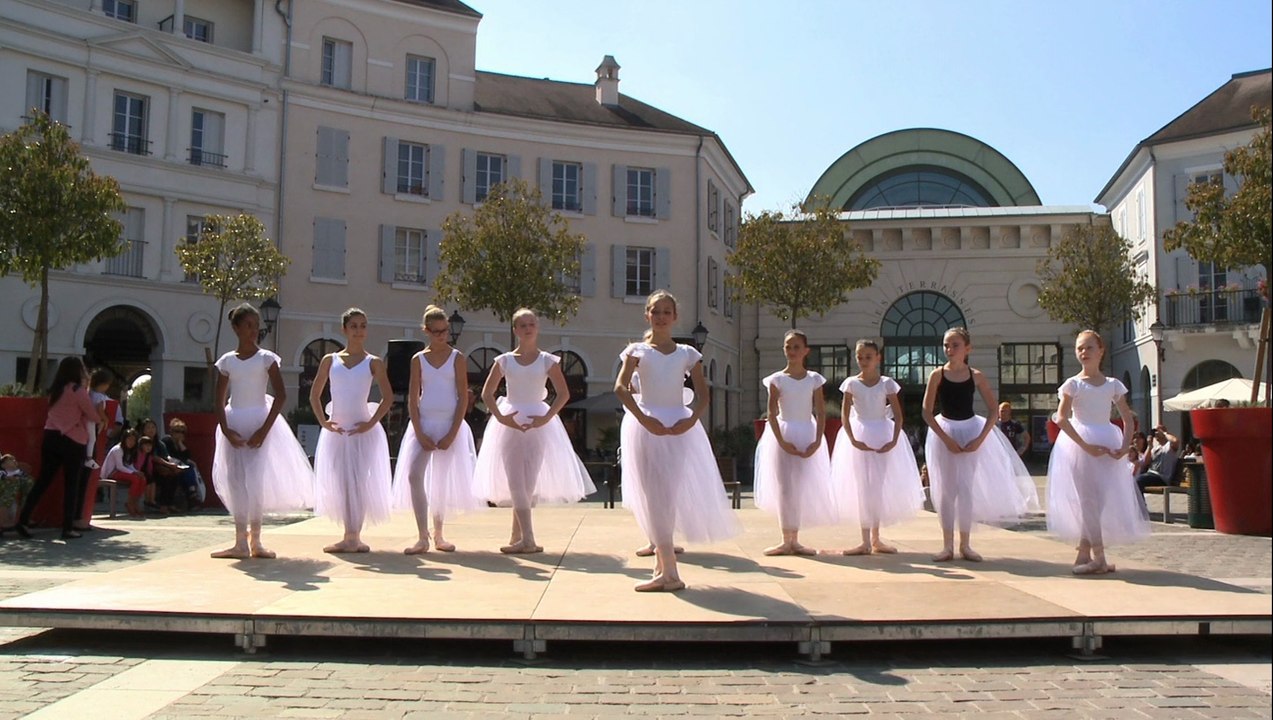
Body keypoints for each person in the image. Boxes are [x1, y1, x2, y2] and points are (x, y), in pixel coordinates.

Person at [614, 290, 741, 592]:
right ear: (647, 315)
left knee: (666, 498)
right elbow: (620, 387)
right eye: (655, 311)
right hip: (645, 426)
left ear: (675, 317)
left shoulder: (688, 354)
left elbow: (703, 394)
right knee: (652, 497)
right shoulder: (636, 351)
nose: (661, 317)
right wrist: (644, 419)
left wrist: (690, 419)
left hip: (678, 425)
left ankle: (670, 572)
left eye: (666, 311)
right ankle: (663, 565)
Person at [474, 308, 596, 554]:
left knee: (527, 484)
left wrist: (547, 417)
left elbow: (563, 393)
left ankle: (518, 535)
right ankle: (526, 538)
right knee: (515, 481)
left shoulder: (547, 361)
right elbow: (487, 393)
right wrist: (500, 417)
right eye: (523, 325)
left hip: (538, 423)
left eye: (531, 324)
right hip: (510, 422)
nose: (528, 328)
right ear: (515, 330)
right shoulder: (505, 360)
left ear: (537, 328)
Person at [210, 303, 315, 559]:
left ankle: (256, 540)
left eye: (256, 326)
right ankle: (239, 541)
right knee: (236, 481)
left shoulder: (266, 359)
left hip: (259, 420)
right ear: (236, 328)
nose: (253, 331)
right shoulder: (227, 361)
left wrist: (264, 430)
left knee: (255, 482)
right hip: (235, 422)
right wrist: (225, 429)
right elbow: (219, 398)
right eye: (248, 326)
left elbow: (280, 396)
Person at [922, 327, 1035, 562]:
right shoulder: (937, 375)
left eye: (955, 345)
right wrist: (946, 439)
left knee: (966, 490)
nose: (949, 349)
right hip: (946, 431)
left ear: (967, 348)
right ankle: (947, 545)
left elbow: (994, 410)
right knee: (946, 491)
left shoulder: (976, 376)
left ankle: (965, 544)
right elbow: (926, 412)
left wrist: (980, 439)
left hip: (971, 429)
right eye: (946, 345)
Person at [1047, 330, 1150, 575]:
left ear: (1101, 350)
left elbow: (1127, 417)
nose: (1084, 352)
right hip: (1079, 444)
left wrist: (1125, 447)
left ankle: (1085, 552)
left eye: (1089, 347)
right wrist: (1085, 445)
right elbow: (1061, 418)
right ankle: (1099, 558)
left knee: (1099, 502)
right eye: (1080, 348)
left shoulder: (1112, 384)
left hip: (1107, 440)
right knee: (1088, 502)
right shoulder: (1073, 384)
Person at [392, 305, 483, 555]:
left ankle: (439, 533)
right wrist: (419, 431)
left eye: (444, 331)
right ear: (427, 331)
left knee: (441, 480)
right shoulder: (418, 359)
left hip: (449, 423)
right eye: (436, 331)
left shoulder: (458, 357)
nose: (442, 335)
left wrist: (453, 431)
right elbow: (413, 397)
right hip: (424, 422)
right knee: (414, 475)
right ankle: (423, 536)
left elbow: (463, 397)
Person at [310, 308, 395, 554]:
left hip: (362, 432)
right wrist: (323, 422)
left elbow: (387, 398)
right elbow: (315, 394)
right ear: (345, 329)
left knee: (357, 482)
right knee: (341, 483)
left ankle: (353, 536)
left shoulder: (374, 362)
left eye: (363, 326)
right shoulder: (330, 360)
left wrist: (370, 423)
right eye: (354, 326)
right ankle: (349, 534)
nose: (359, 330)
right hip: (336, 432)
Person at [833, 339, 925, 556]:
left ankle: (875, 538)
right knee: (863, 487)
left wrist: (893, 440)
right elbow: (845, 416)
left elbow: (898, 415)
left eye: (868, 357)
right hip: (859, 434)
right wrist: (853, 439)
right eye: (860, 357)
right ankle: (864, 540)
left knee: (879, 486)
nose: (863, 361)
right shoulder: (851, 384)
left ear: (877, 358)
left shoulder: (887, 383)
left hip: (882, 433)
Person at [753, 329, 836, 556]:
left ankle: (795, 539)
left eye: (796, 347)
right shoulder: (777, 379)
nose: (792, 351)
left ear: (806, 351)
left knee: (799, 487)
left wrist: (818, 439)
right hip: (782, 432)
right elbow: (771, 413)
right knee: (784, 487)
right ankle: (784, 538)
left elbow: (820, 410)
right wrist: (781, 440)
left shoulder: (814, 379)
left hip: (806, 432)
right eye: (788, 347)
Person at [7, 356, 106, 539]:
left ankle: (23, 519)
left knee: (43, 480)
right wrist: (101, 419)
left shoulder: (55, 390)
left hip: (51, 437)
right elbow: (92, 414)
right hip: (73, 440)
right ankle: (67, 527)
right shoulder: (78, 391)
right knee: (71, 484)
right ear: (78, 371)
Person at [160, 418, 204, 511]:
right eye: (177, 431)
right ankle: (191, 494)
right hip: (167, 466)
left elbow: (186, 457)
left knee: (190, 467)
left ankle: (192, 494)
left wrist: (180, 444)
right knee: (182, 472)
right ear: (171, 431)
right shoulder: (167, 441)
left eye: (182, 432)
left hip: (179, 467)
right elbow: (168, 456)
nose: (179, 434)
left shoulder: (180, 444)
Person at [1134, 425, 1181, 491]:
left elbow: (1175, 441)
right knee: (1134, 481)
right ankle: (1140, 501)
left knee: (1139, 481)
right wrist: (1149, 446)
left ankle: (1139, 501)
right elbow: (1145, 463)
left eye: (1157, 431)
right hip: (1150, 474)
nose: (1156, 434)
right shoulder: (1155, 448)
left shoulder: (1169, 446)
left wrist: (1164, 433)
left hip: (1161, 478)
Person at [0, 453, 34, 535]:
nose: (14, 461)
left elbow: (25, 474)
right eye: (11, 460)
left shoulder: (17, 472)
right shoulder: (3, 472)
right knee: (11, 485)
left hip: (14, 483)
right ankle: (3, 521)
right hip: (5, 485)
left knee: (29, 482)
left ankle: (24, 517)